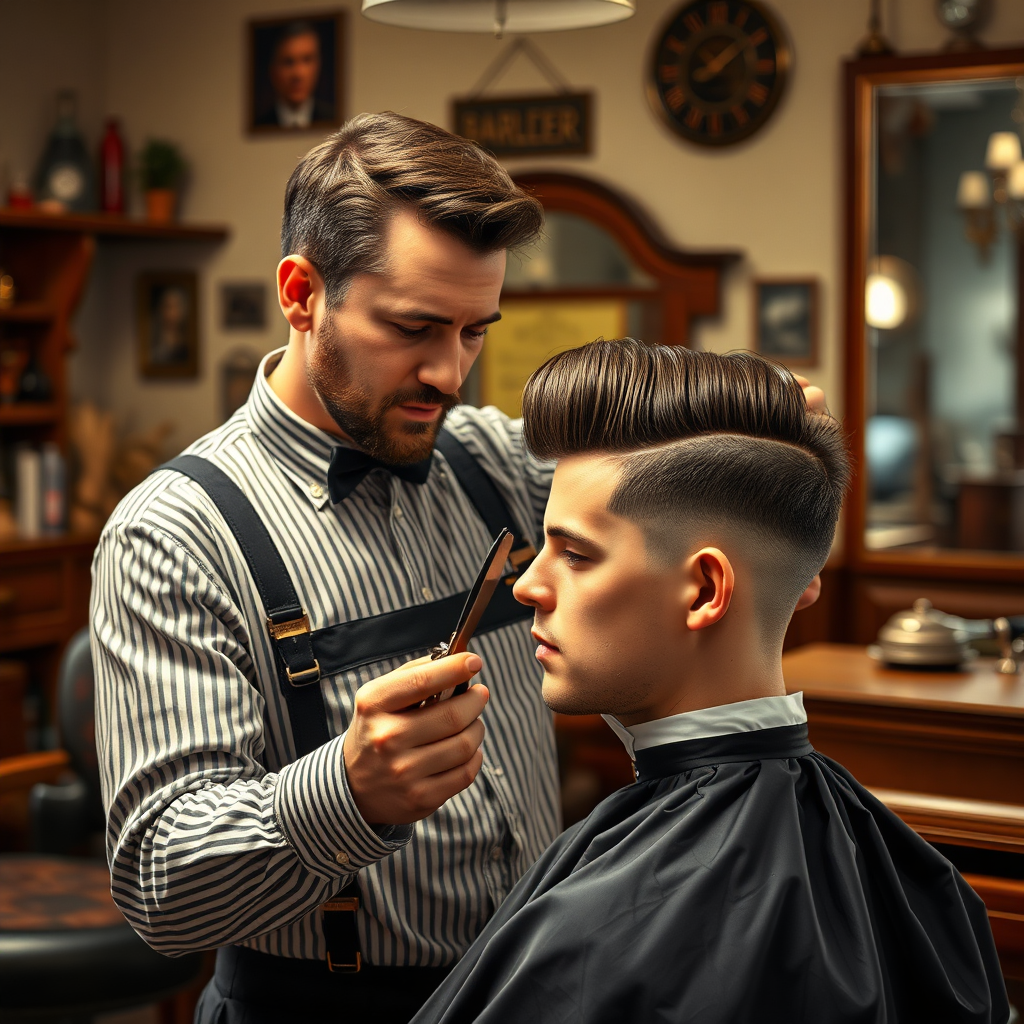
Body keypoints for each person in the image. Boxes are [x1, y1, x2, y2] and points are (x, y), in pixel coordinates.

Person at [91, 113, 824, 1023]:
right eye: (414, 327)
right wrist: (347, 793)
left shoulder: (493, 464)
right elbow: (162, 890)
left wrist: (756, 456)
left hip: (532, 982)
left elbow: (669, 495)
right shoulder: (172, 534)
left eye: (477, 331)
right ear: (301, 292)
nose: (451, 372)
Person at [411, 339, 1009, 1024]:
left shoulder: (613, 928)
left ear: (703, 589)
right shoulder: (922, 884)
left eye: (575, 554)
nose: (527, 585)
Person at [255, 20, 333, 129]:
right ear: (273, 69)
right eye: (288, 62)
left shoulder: (333, 119)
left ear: (318, 65)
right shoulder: (261, 124)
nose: (298, 74)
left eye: (307, 60)